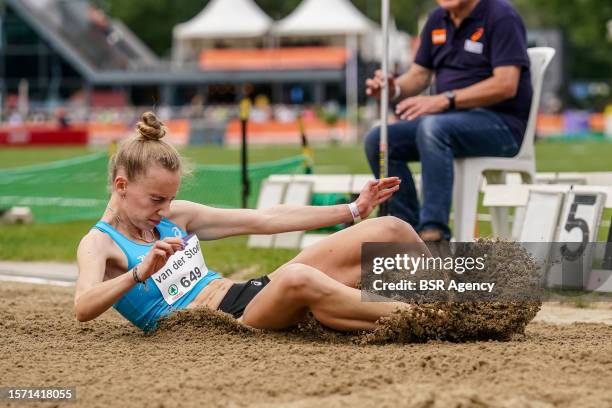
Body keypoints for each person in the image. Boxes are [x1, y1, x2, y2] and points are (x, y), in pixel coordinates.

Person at [74, 112, 427, 333]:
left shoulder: (175, 215)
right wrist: (140, 271)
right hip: (223, 325)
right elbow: (83, 307)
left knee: (390, 228)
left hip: (249, 295)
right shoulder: (99, 243)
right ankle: (435, 321)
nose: (165, 210)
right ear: (122, 186)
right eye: (156, 200)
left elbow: (266, 219)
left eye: (170, 199)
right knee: (298, 278)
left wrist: (353, 210)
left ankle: (469, 297)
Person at [364, 0, 532, 241]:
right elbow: (419, 75)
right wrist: (393, 89)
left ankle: (434, 233)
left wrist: (445, 100)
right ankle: (404, 234)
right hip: (448, 123)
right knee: (378, 139)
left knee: (433, 126)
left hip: (501, 125)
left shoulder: (501, 15)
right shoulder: (437, 20)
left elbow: (506, 84)